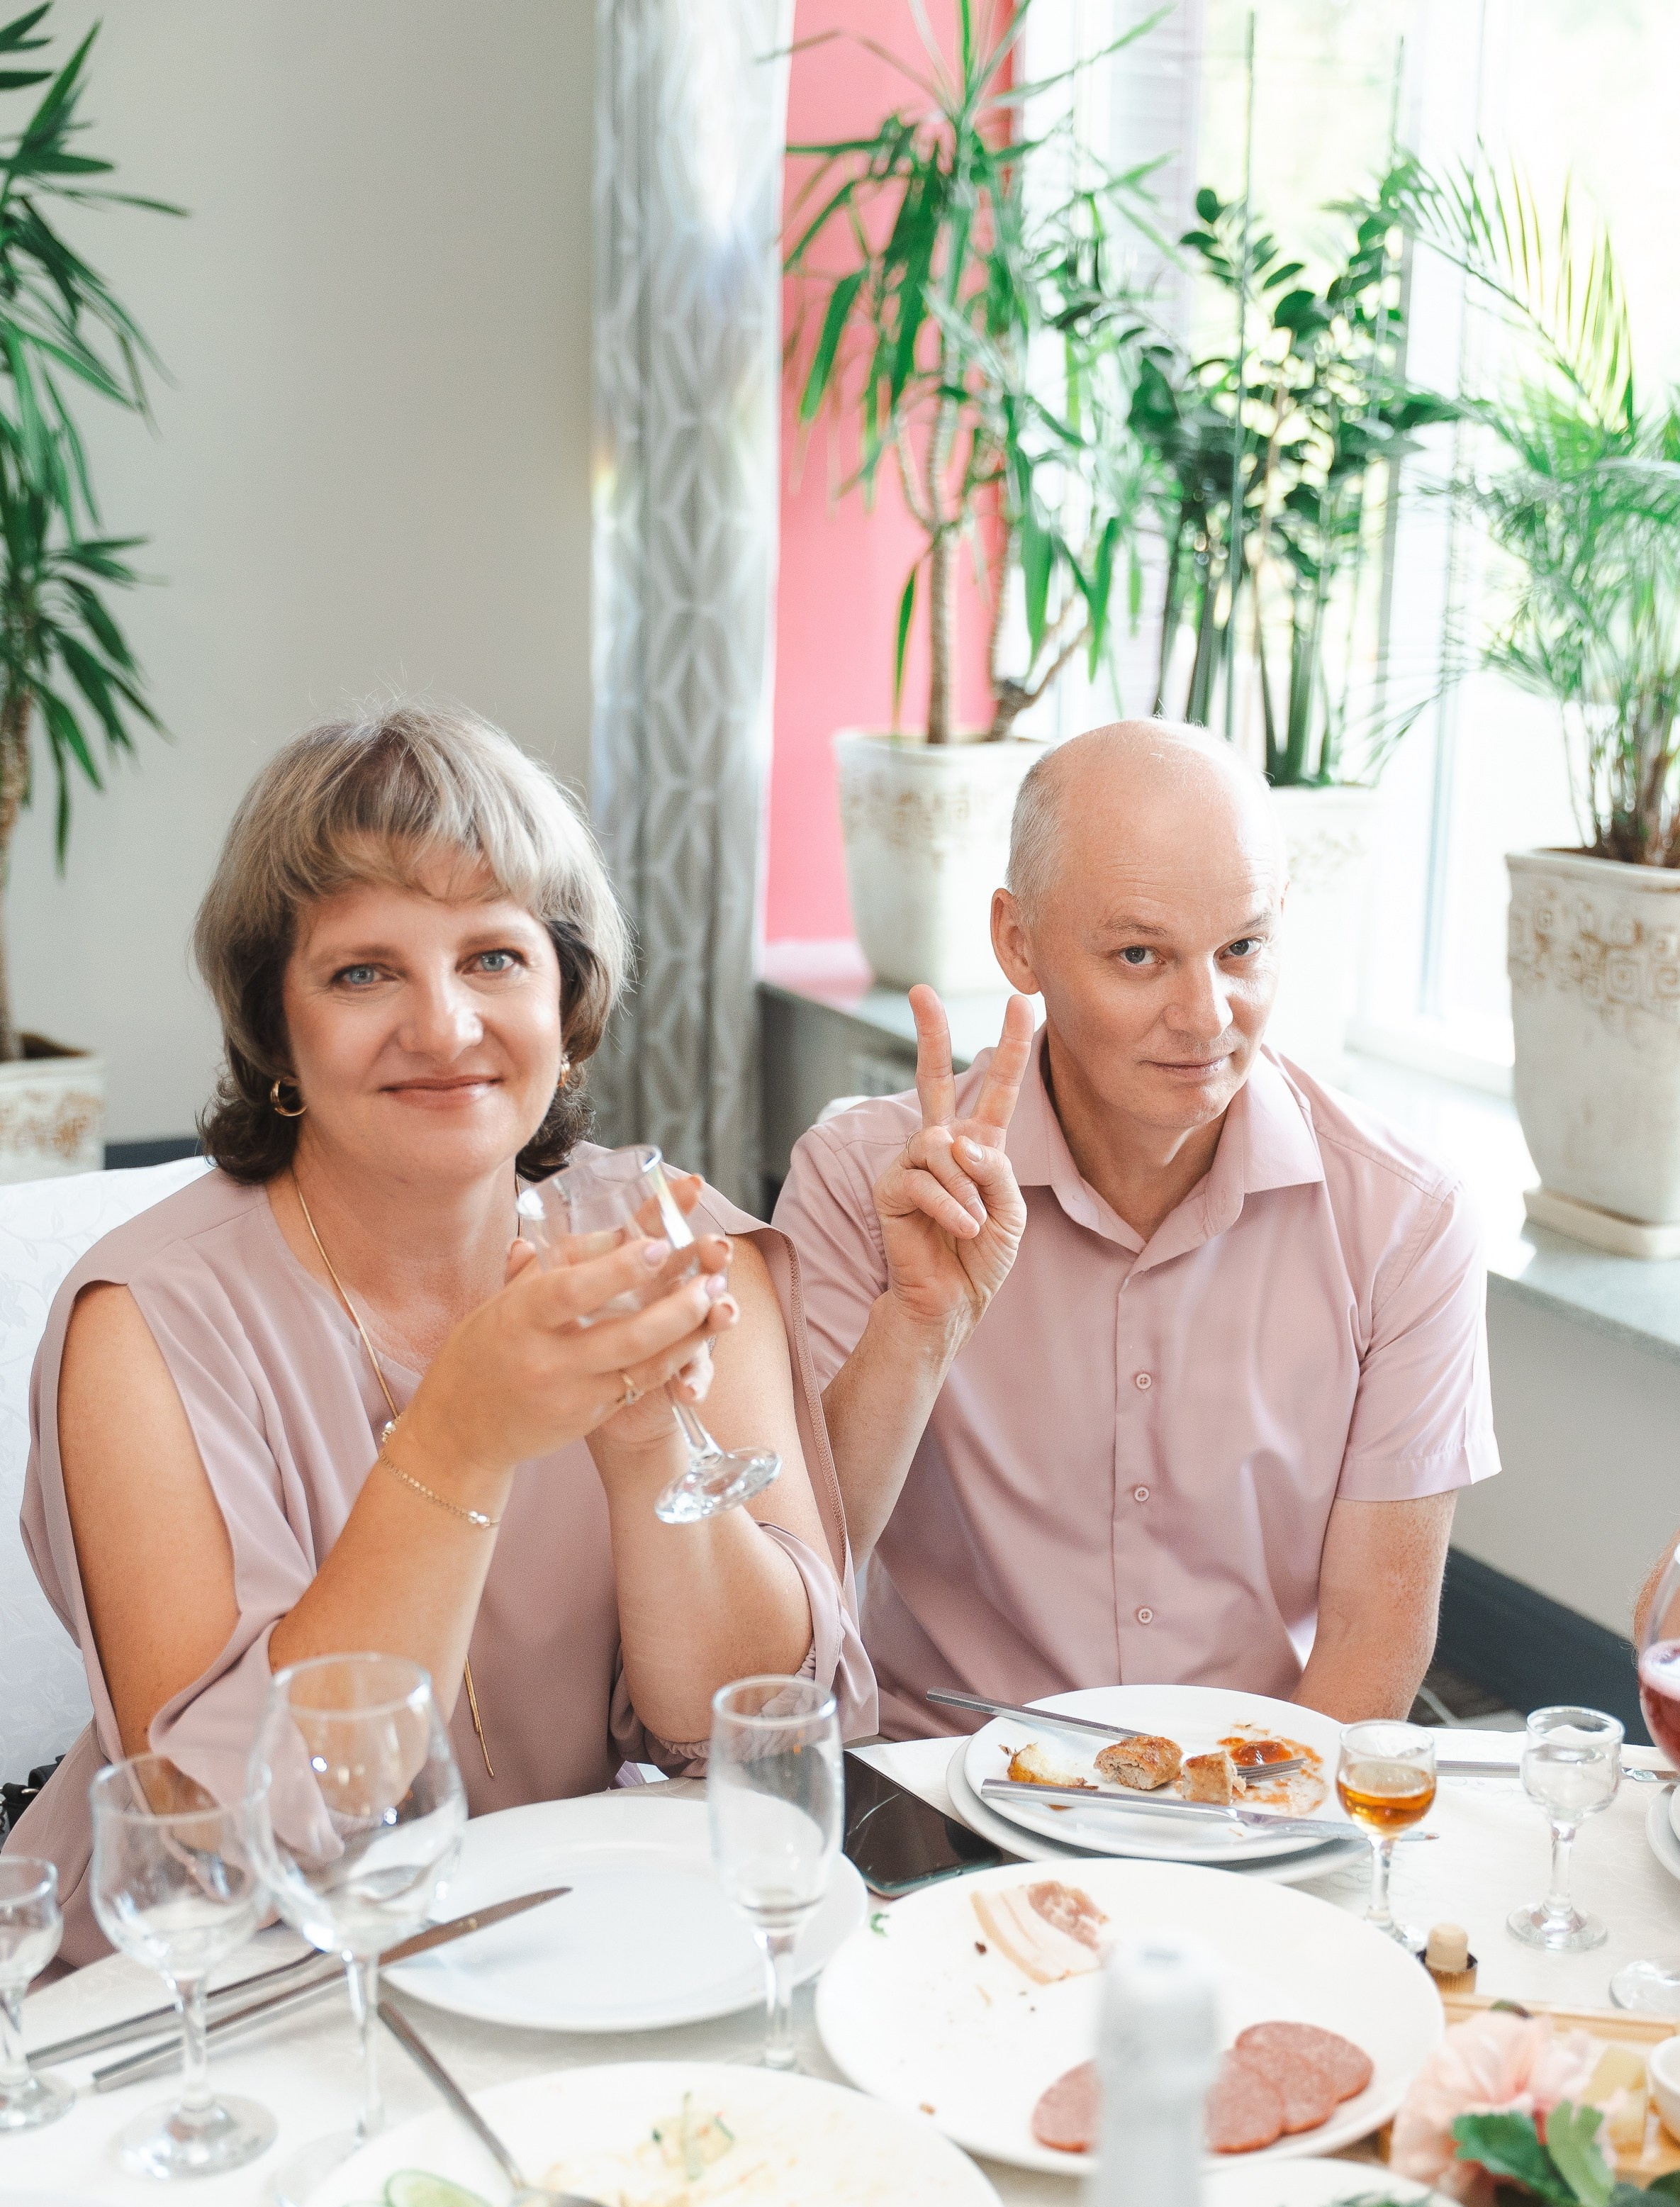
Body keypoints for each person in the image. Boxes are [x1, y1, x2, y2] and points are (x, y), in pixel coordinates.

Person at [13, 703, 872, 1962]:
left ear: (566, 997)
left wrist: (648, 1448)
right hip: (215, 1981)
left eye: (493, 958)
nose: (444, 1026)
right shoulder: (142, 1326)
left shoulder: (669, 1245)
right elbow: (222, 1832)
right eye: (363, 972)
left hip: (548, 1942)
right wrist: (458, 1439)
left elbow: (751, 1732)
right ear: (276, 1026)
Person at [774, 718, 1497, 1738]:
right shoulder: (861, 1181)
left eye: (1242, 949)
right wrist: (916, 1326)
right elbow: (797, 1579)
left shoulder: (1406, 1220)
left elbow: (1372, 1643)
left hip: (1255, 1784)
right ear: (1018, 942)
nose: (1206, 1017)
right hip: (938, 1779)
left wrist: (1244, 1818)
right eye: (1139, 955)